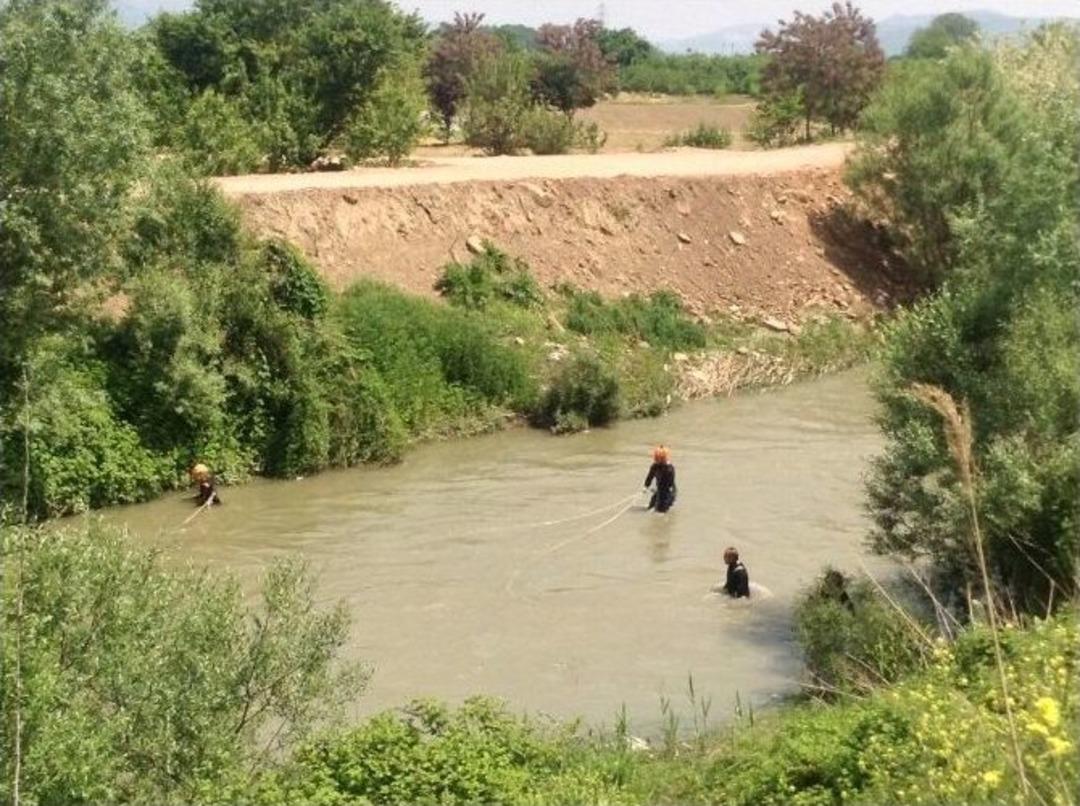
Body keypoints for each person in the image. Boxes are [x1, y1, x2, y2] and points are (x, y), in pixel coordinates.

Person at [643, 445, 677, 513]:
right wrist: (646, 486)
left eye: (658, 458)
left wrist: (655, 489)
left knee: (660, 512)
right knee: (650, 507)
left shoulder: (669, 469)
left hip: (668, 492)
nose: (656, 460)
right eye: (656, 457)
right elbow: (650, 477)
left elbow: (669, 483)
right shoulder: (654, 466)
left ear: (664, 458)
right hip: (659, 490)